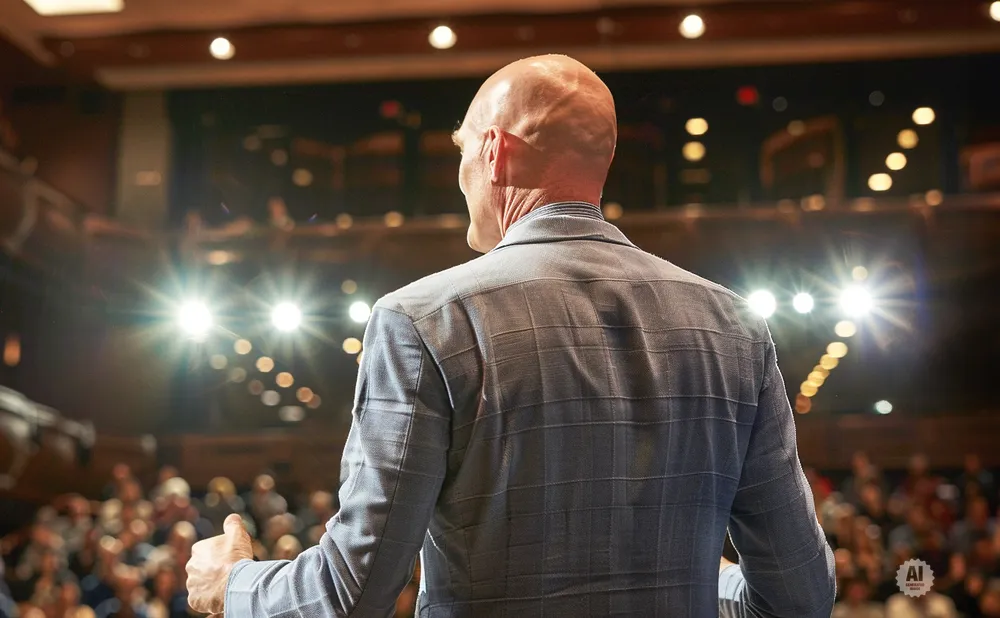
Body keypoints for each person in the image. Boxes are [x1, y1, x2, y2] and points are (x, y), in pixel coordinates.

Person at [186, 53, 836, 617]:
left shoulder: (424, 319)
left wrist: (233, 583)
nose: (462, 169)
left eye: (463, 148)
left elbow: (352, 594)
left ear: (494, 153)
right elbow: (799, 597)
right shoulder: (736, 327)